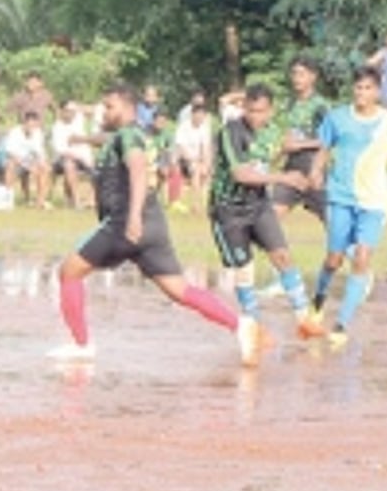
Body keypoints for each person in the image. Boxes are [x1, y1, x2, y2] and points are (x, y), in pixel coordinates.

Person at [47, 85, 258, 365]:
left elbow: (137, 169)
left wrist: (133, 216)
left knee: (69, 272)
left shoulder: (128, 136)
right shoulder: (127, 134)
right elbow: (106, 139)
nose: (104, 112)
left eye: (109, 107)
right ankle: (240, 325)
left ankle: (81, 344)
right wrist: (84, 137)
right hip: (153, 224)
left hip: (125, 223)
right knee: (179, 290)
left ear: (129, 109)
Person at [208, 84, 326, 344]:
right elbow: (241, 174)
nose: (255, 116)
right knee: (245, 271)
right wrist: (282, 177)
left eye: (261, 111)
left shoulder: (272, 130)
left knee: (282, 255)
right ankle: (255, 328)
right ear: (244, 108)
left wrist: (315, 148)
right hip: (228, 210)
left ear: (270, 111)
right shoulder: (231, 132)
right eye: (250, 110)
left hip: (258, 204)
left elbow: (278, 150)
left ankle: (304, 320)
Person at [307, 66, 387, 345]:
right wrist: (316, 171)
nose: (362, 93)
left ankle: (341, 324)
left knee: (362, 258)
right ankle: (318, 300)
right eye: (358, 87)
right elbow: (324, 149)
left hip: (374, 201)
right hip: (341, 197)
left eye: (368, 88)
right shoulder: (337, 118)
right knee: (334, 259)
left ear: (377, 92)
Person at [272, 57, 331, 224]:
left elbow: (328, 138)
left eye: (301, 74)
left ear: (313, 77)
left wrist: (299, 145)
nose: (296, 78)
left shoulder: (320, 106)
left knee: (332, 222)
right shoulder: (288, 104)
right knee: (272, 217)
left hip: (313, 166)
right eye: (294, 74)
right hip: (291, 168)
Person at [51, 100, 96, 209]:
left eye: (72, 111)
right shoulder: (57, 127)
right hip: (63, 159)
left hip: (84, 158)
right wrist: (79, 158)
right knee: (69, 165)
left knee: (100, 167)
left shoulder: (78, 119)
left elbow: (93, 109)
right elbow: (62, 151)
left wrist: (77, 106)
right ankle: (76, 200)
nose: (71, 113)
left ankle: (91, 200)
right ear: (61, 111)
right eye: (67, 111)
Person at [1, 111, 51, 207]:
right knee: (10, 166)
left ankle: (40, 200)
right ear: (25, 122)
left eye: (35, 124)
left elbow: (39, 153)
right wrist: (28, 167)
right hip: (16, 161)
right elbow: (10, 153)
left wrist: (41, 163)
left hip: (30, 161)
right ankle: (7, 198)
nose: (32, 127)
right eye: (30, 124)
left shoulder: (38, 133)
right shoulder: (15, 132)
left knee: (44, 168)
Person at [174, 104, 213, 213]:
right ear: (192, 114)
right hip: (183, 159)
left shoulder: (204, 128)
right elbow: (181, 148)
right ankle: (195, 204)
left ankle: (205, 203)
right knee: (196, 171)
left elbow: (206, 148)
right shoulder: (184, 127)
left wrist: (207, 164)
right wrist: (193, 160)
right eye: (198, 114)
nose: (200, 117)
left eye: (202, 115)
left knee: (205, 172)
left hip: (198, 159)